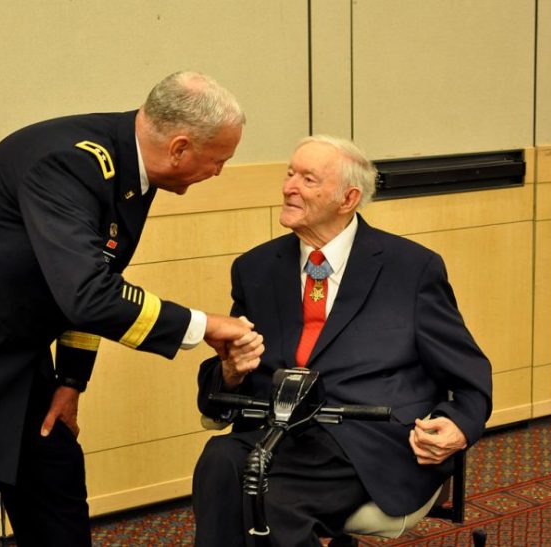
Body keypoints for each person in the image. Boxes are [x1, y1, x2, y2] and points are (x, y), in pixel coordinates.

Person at [0, 71, 254, 547]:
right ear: (180, 147)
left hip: (12, 346)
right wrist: (201, 325)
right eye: (218, 159)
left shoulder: (132, 168)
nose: (219, 172)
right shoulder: (69, 162)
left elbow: (94, 281)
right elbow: (88, 293)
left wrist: (70, 381)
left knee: (55, 492)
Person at [192, 135, 493, 546]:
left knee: (268, 499)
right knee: (218, 462)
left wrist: (460, 426)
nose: (288, 187)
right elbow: (222, 380)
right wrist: (229, 371)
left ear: (347, 198)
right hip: (278, 432)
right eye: (289, 173)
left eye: (308, 179)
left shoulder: (411, 268)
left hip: (367, 440)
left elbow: (470, 374)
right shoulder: (256, 269)